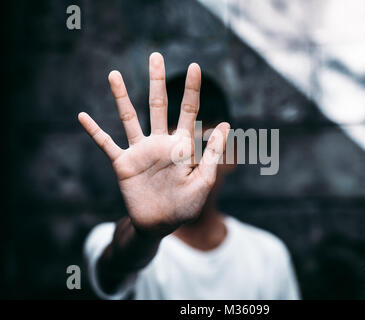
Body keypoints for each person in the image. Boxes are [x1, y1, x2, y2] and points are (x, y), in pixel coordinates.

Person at [80, 52, 300, 299]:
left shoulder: (269, 256)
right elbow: (115, 267)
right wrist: (145, 235)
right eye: (177, 153)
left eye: (204, 147)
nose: (191, 162)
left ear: (231, 153)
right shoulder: (110, 240)